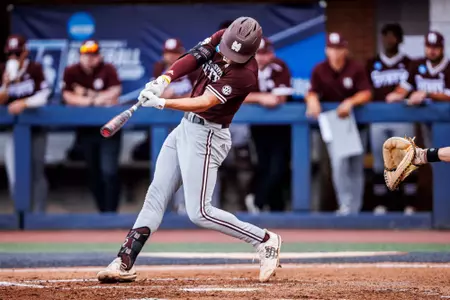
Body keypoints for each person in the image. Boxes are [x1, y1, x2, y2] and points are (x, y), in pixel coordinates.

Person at [97, 17, 282, 283]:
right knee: (156, 195)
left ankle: (264, 240)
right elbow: (195, 57)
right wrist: (164, 78)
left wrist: (163, 102)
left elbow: (205, 102)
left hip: (208, 136)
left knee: (199, 212)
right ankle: (123, 262)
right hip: (185, 129)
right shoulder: (224, 36)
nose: (229, 57)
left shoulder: (245, 75)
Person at [305, 32, 372, 215]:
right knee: (340, 164)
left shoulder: (355, 68)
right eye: (332, 49)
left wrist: (350, 102)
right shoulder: (320, 69)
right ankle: (345, 205)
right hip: (336, 125)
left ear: (345, 49)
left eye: (339, 48)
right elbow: (311, 92)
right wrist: (312, 100)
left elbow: (366, 93)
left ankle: (355, 209)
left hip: (357, 125)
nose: (335, 52)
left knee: (356, 167)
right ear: (327, 50)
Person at [62, 40, 122, 212]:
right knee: (93, 173)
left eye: (93, 55)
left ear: (99, 56)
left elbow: (114, 94)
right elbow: (68, 96)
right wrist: (94, 100)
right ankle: (103, 213)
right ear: (80, 56)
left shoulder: (107, 69)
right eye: (85, 54)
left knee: (109, 171)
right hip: (86, 130)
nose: (89, 58)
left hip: (109, 129)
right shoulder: (72, 71)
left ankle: (112, 213)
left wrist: (87, 94)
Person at [0, 34, 50, 212]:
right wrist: (6, 85)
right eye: (10, 54)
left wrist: (24, 103)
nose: (13, 57)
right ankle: (21, 214)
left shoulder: (35, 68)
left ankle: (38, 215)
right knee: (15, 174)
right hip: (12, 130)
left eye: (17, 53)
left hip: (35, 128)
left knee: (37, 172)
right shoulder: (3, 70)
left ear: (25, 52)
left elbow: (44, 96)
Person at [366, 24, 413, 215]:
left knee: (407, 161)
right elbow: (367, 90)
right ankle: (381, 204)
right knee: (380, 162)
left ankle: (408, 205)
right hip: (378, 117)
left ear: (400, 39)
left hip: (402, 116)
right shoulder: (372, 63)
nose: (388, 40)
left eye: (392, 36)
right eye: (385, 36)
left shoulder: (410, 63)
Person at [244, 37, 293, 212]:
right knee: (263, 165)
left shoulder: (280, 66)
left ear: (271, 53)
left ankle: (259, 201)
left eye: (266, 53)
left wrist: (267, 98)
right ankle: (266, 204)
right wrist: (260, 97)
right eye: (259, 54)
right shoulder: (244, 67)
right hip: (258, 126)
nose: (262, 58)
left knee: (279, 166)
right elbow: (237, 96)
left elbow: (280, 98)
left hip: (280, 128)